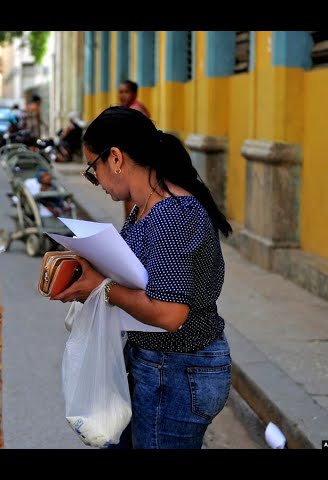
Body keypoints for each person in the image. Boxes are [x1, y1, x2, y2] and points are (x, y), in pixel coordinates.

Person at [51, 106, 233, 449]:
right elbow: (142, 279)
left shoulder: (171, 215)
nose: (97, 182)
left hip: (178, 371)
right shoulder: (144, 207)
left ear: (115, 158)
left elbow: (169, 313)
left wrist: (102, 288)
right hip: (163, 367)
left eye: (94, 170)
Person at [118, 80, 151, 219]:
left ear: (134, 93)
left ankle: (131, 234)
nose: (123, 95)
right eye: (121, 92)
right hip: (131, 159)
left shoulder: (135, 110)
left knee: (132, 197)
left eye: (126, 92)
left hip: (136, 159)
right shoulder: (131, 108)